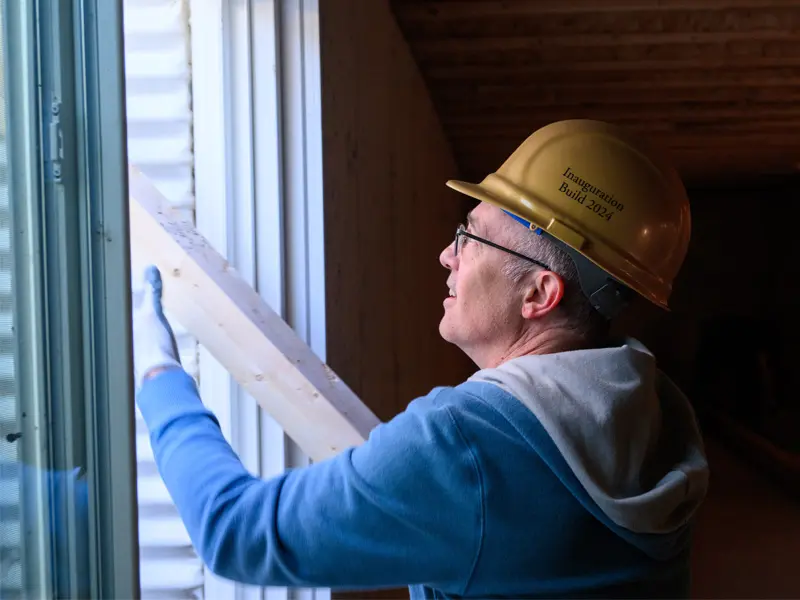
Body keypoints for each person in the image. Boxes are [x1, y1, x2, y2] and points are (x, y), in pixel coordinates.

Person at [133, 119, 709, 599]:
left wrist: (159, 380)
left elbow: (236, 533)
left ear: (539, 292)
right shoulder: (655, 409)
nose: (445, 255)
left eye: (471, 236)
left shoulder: (465, 446)